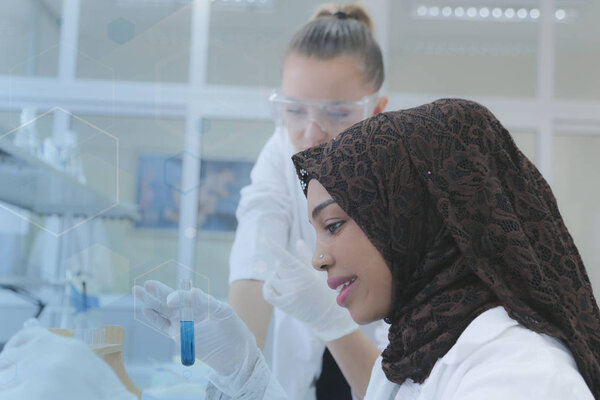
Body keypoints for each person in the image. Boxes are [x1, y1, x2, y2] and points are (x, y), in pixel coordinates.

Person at [290, 98, 600, 399]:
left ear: (412, 216)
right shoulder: (414, 355)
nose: (318, 259)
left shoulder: (518, 371)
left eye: (332, 225)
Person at [227, 3, 388, 399]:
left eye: (337, 112)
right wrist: (233, 365)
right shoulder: (281, 150)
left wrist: (334, 322)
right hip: (305, 369)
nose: (311, 133)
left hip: (378, 358)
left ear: (377, 111)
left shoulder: (403, 173)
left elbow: (396, 385)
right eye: (294, 110)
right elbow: (257, 243)